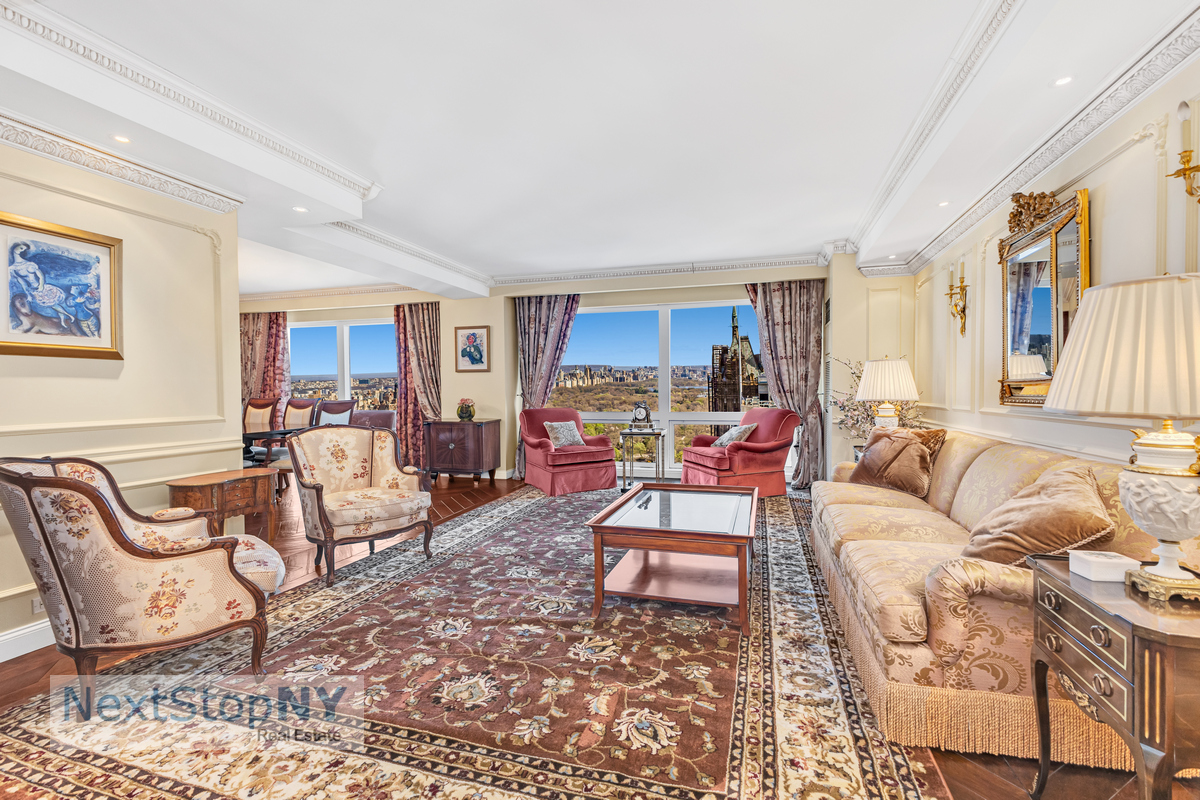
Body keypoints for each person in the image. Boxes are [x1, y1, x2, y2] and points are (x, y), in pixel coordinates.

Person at [9, 242, 75, 327]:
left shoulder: (30, 264)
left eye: (23, 249)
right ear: (14, 249)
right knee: (54, 306)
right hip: (34, 291)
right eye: (21, 248)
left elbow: (41, 276)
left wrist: (41, 286)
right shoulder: (12, 268)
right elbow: (22, 282)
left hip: (42, 288)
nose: (22, 250)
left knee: (54, 305)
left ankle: (68, 316)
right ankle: (66, 317)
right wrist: (28, 294)